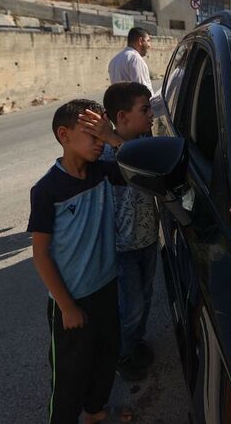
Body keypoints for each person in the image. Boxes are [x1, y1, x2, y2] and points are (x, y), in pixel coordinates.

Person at [28, 100, 131, 424]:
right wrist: (67, 306)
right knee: (70, 374)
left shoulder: (103, 171)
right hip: (72, 299)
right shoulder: (47, 190)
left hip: (105, 286)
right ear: (64, 135)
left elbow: (141, 167)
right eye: (92, 134)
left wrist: (114, 139)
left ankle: (95, 412)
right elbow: (41, 254)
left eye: (103, 134)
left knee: (106, 355)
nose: (100, 142)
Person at [83, 82, 158, 381]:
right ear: (123, 117)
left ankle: (134, 343)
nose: (152, 114)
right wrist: (112, 140)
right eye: (145, 109)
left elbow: (147, 164)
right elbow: (131, 167)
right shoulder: (101, 156)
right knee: (131, 308)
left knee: (146, 298)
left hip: (148, 240)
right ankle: (123, 355)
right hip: (121, 248)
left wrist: (114, 137)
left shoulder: (144, 140)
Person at [108, 27, 154, 96]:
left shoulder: (114, 60)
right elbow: (143, 92)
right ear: (140, 41)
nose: (149, 45)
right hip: (134, 106)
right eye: (148, 40)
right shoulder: (135, 59)